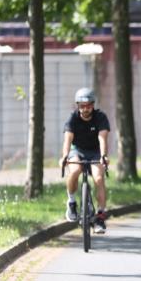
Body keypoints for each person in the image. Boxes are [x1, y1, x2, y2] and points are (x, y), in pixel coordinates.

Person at [60, 87, 110, 232]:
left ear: (93, 105)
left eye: (88, 106)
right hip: (77, 151)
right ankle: (72, 202)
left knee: (99, 178)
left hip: (95, 152)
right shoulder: (73, 118)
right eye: (82, 106)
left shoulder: (101, 117)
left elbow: (102, 138)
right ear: (78, 106)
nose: (85, 109)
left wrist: (103, 155)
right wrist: (65, 156)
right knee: (74, 170)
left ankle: (100, 216)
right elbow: (67, 139)